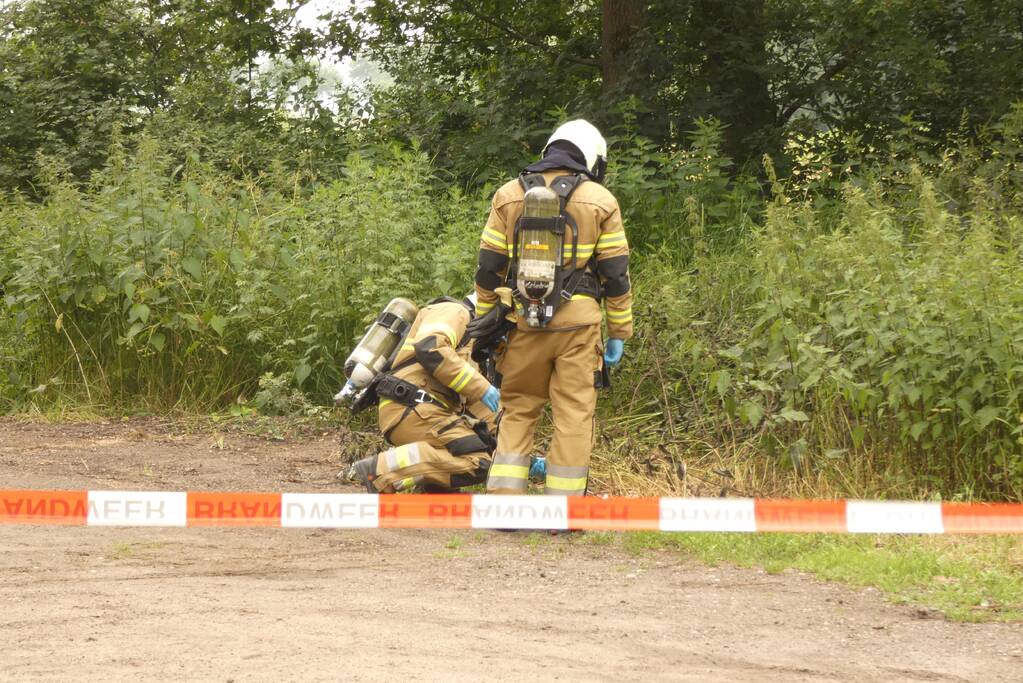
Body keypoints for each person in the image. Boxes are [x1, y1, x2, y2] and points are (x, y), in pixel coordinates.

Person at [469, 119, 633, 496]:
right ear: (593, 158)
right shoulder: (601, 200)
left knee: (519, 407)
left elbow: (488, 266)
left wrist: (486, 316)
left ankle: (505, 502)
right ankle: (564, 504)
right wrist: (619, 333)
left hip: (522, 322)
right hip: (578, 327)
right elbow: (616, 275)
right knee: (574, 414)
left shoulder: (509, 194)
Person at [348, 295, 501, 493]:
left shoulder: (471, 341)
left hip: (421, 410)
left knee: (474, 453)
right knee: (477, 461)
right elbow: (430, 347)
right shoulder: (454, 312)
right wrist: (483, 388)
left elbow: (481, 408)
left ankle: (432, 486)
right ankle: (381, 470)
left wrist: (515, 453)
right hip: (412, 406)